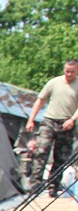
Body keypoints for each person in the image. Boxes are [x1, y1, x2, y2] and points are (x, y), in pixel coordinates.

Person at [23, 60, 78, 194]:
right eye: (67, 71)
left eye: (72, 72)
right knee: (42, 150)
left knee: (61, 156)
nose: (69, 74)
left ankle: (54, 185)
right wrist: (31, 120)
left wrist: (72, 120)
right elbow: (40, 100)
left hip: (67, 124)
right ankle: (35, 183)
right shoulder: (54, 82)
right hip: (49, 121)